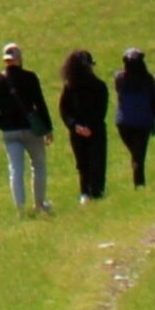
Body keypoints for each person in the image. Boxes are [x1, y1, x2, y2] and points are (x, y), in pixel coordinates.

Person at [0, 41, 53, 213]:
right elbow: (40, 104)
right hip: (31, 130)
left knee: (15, 169)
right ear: (20, 59)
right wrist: (48, 127)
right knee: (38, 166)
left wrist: (3, 124)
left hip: (9, 133)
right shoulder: (30, 78)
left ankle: (20, 208)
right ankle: (39, 204)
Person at [59, 49, 111, 203]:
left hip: (90, 130)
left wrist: (81, 127)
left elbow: (101, 111)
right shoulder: (71, 88)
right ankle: (87, 193)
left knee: (93, 163)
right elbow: (64, 110)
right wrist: (76, 126)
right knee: (84, 164)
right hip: (83, 131)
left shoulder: (98, 86)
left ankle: (94, 194)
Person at [114, 48, 155, 187]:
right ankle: (139, 184)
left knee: (135, 153)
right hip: (143, 123)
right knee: (139, 155)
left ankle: (139, 182)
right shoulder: (148, 80)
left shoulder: (119, 78)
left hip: (123, 122)